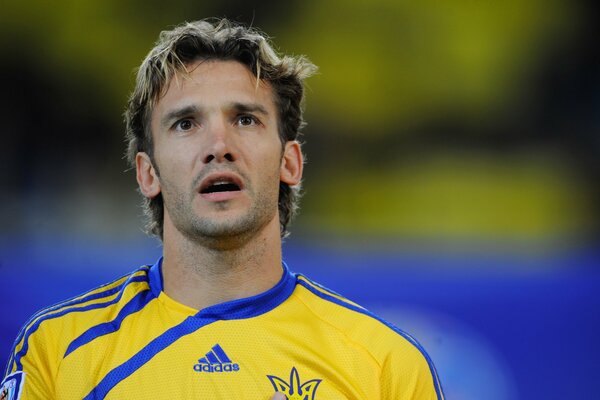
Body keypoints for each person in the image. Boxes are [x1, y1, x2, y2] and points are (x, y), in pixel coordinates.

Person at [1, 18, 444, 399]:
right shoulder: (58, 352)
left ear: (290, 162)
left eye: (245, 120)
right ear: (147, 174)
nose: (218, 146)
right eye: (186, 124)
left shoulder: (386, 365)